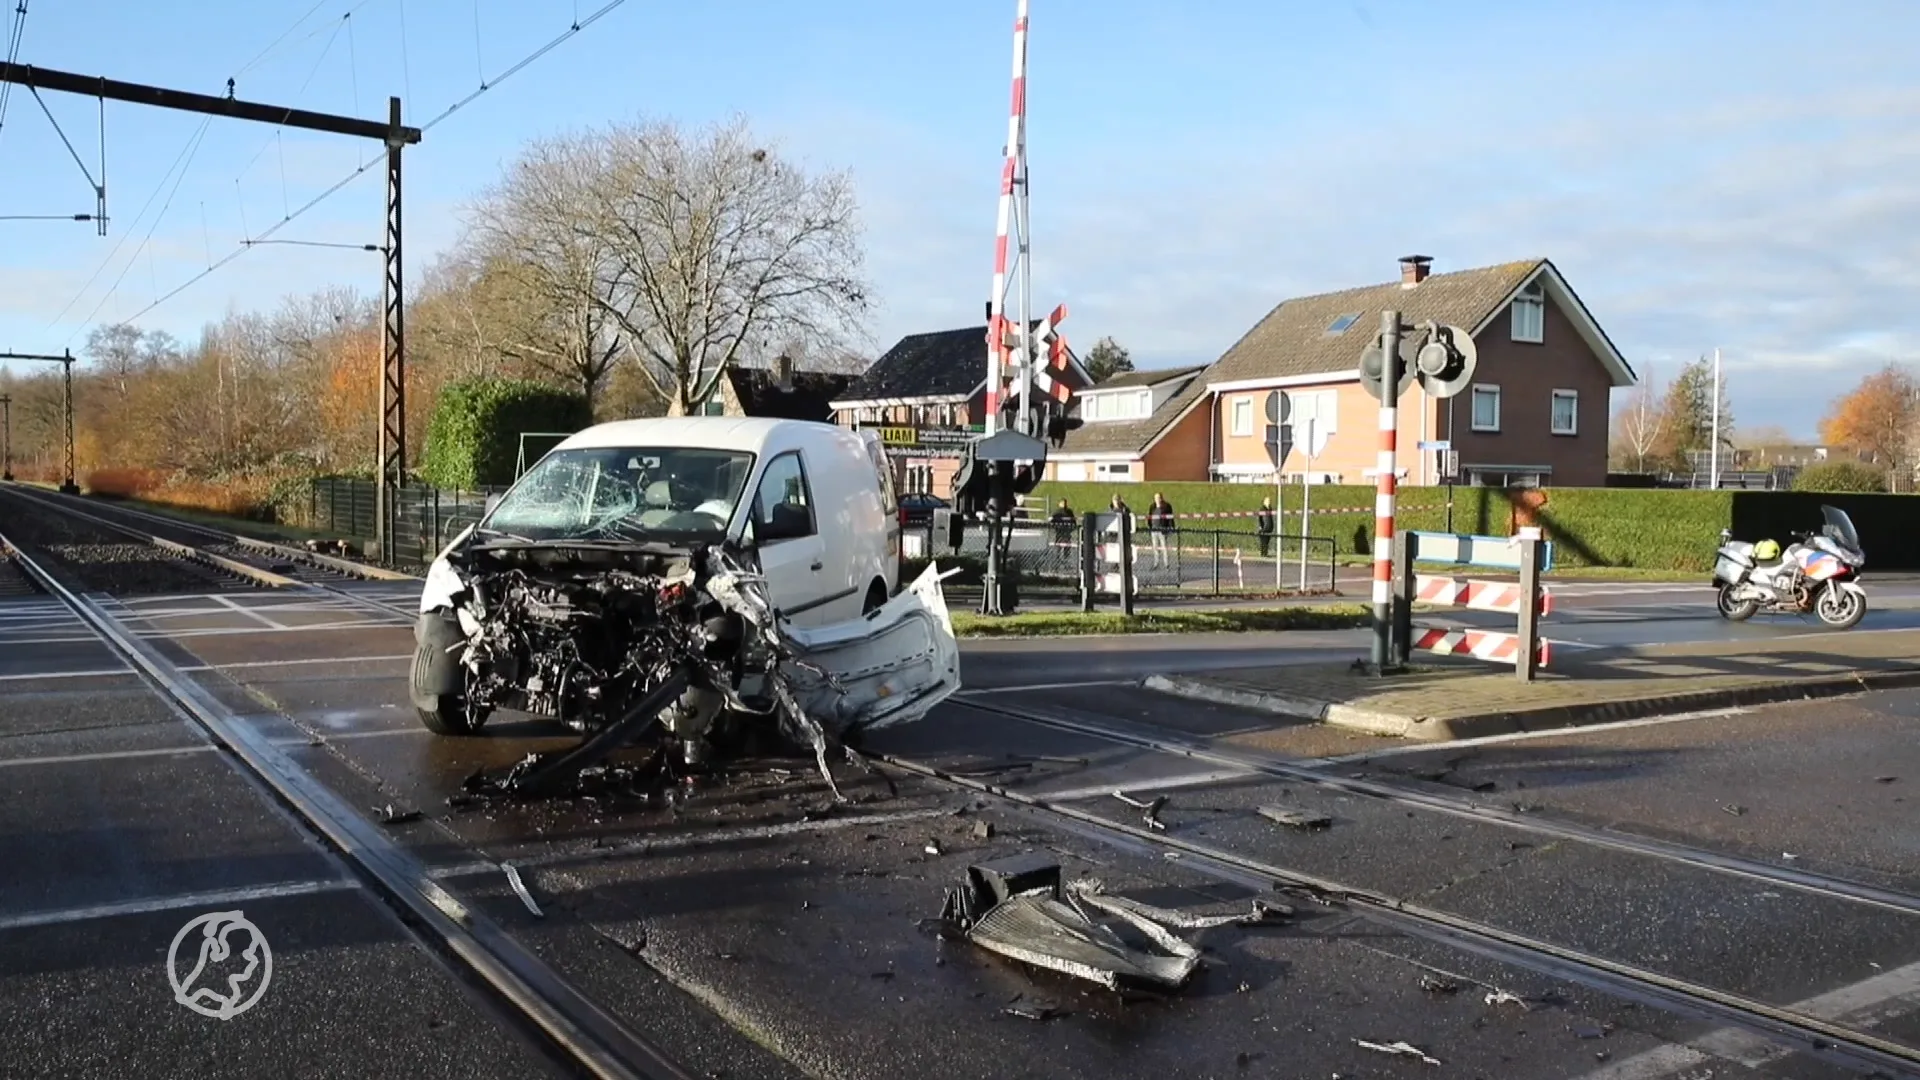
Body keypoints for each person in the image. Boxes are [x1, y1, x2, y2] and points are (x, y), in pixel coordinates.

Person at [1147, 492, 1175, 569]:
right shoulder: (1152, 507)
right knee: (1155, 547)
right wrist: (1150, 526)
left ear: (1161, 498)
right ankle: (1156, 563)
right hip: (1154, 530)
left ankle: (1166, 564)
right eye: (1156, 498)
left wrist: (1171, 527)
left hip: (1162, 530)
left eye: (1159, 498)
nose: (1157, 499)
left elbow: (1170, 518)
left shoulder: (1166, 506)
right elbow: (1149, 517)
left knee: (1164, 547)